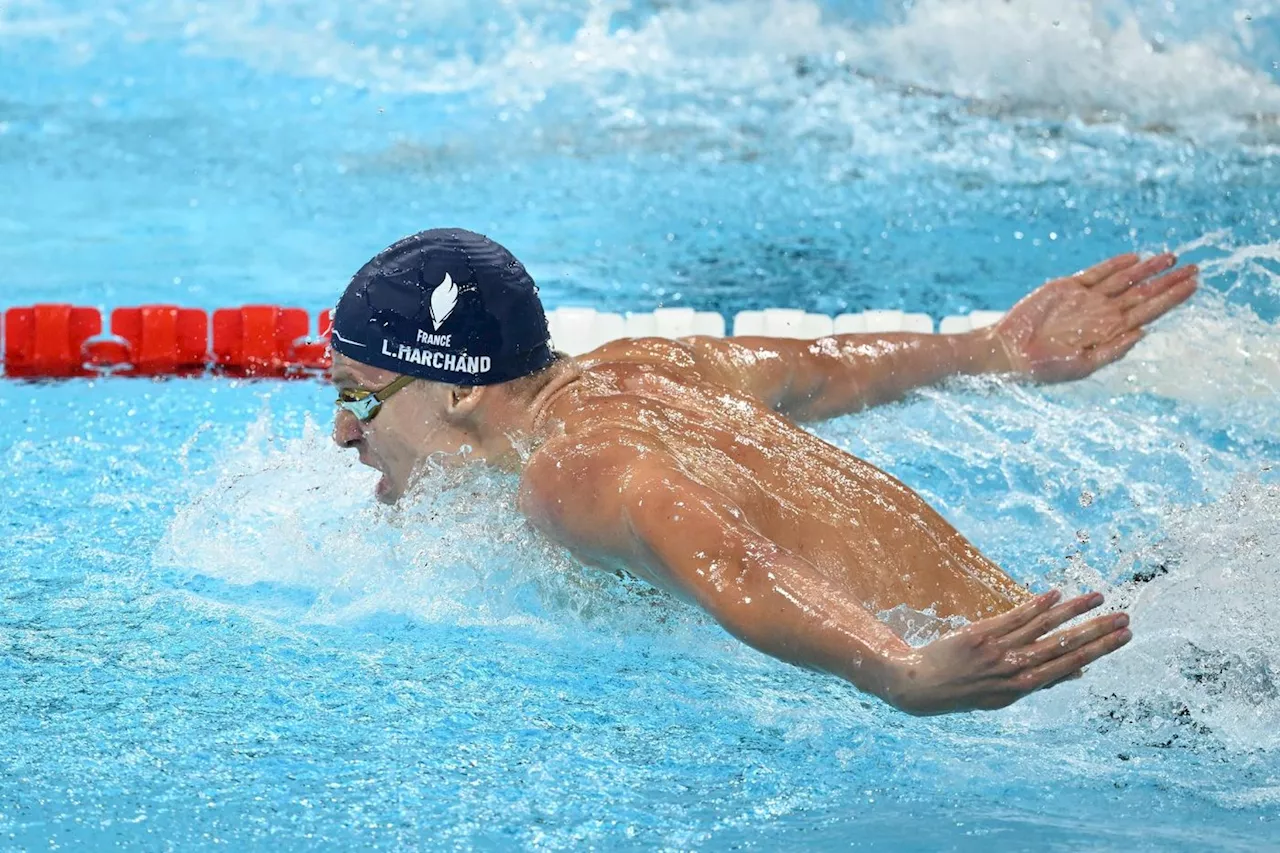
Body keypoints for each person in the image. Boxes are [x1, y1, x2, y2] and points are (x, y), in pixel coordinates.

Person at [328, 228, 1199, 716]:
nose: (341, 430)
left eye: (359, 396)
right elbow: (823, 366)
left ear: (457, 391)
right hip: (1084, 632)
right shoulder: (638, 367)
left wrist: (898, 669)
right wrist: (992, 348)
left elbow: (733, 559)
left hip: (1042, 688)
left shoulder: (568, 473)